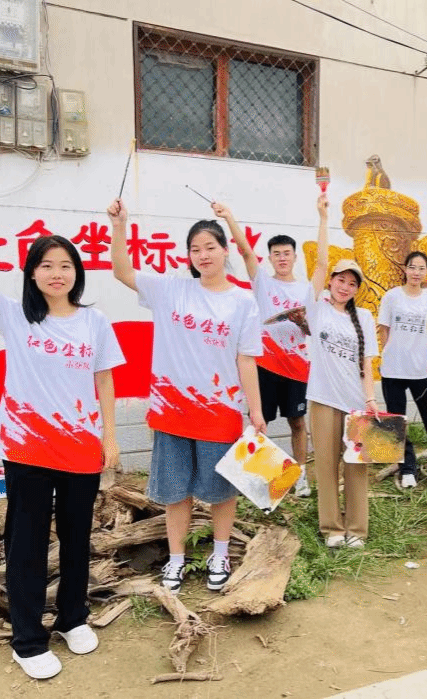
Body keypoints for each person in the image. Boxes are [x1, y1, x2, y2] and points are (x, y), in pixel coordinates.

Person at [0, 183, 124, 680]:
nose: (57, 273)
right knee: (28, 543)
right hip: (27, 448)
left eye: (66, 265)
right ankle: (28, 639)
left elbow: (104, 379)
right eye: (47, 265)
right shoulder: (15, 316)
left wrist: (110, 437)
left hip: (81, 449)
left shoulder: (95, 321)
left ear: (77, 272)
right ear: (32, 273)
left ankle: (73, 618)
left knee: (77, 538)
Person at [107, 198, 265, 594]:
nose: (203, 255)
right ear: (189, 255)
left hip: (221, 413)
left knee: (222, 491)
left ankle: (220, 554)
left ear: (224, 251)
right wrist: (120, 225)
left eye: (210, 247)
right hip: (172, 412)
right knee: (176, 491)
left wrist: (256, 413)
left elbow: (247, 360)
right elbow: (121, 270)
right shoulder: (171, 290)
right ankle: (176, 559)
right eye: (195, 249)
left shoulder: (243, 301)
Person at [218, 203, 311, 497]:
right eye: (277, 253)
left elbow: (312, 330)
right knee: (260, 421)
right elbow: (246, 252)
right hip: (265, 366)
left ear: (295, 257)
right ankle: (262, 481)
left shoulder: (306, 290)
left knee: (298, 421)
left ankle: (301, 475)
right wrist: (229, 217)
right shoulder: (263, 282)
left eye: (287, 253)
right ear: (270, 258)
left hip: (297, 368)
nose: (282, 258)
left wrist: (302, 322)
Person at [306, 193, 379, 548]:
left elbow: (367, 363)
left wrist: (371, 400)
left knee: (356, 467)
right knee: (325, 466)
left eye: (352, 283)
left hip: (355, 404)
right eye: (340, 280)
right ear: (331, 280)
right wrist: (323, 219)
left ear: (356, 289)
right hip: (322, 399)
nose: (344, 286)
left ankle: (357, 530)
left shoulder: (364, 317)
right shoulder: (316, 307)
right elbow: (320, 263)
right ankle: (332, 529)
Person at [377, 252, 427, 488]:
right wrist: (387, 355)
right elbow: (383, 329)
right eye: (412, 267)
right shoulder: (392, 296)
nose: (416, 272)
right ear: (405, 269)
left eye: (421, 268)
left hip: (421, 369)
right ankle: (408, 469)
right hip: (393, 370)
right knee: (396, 421)